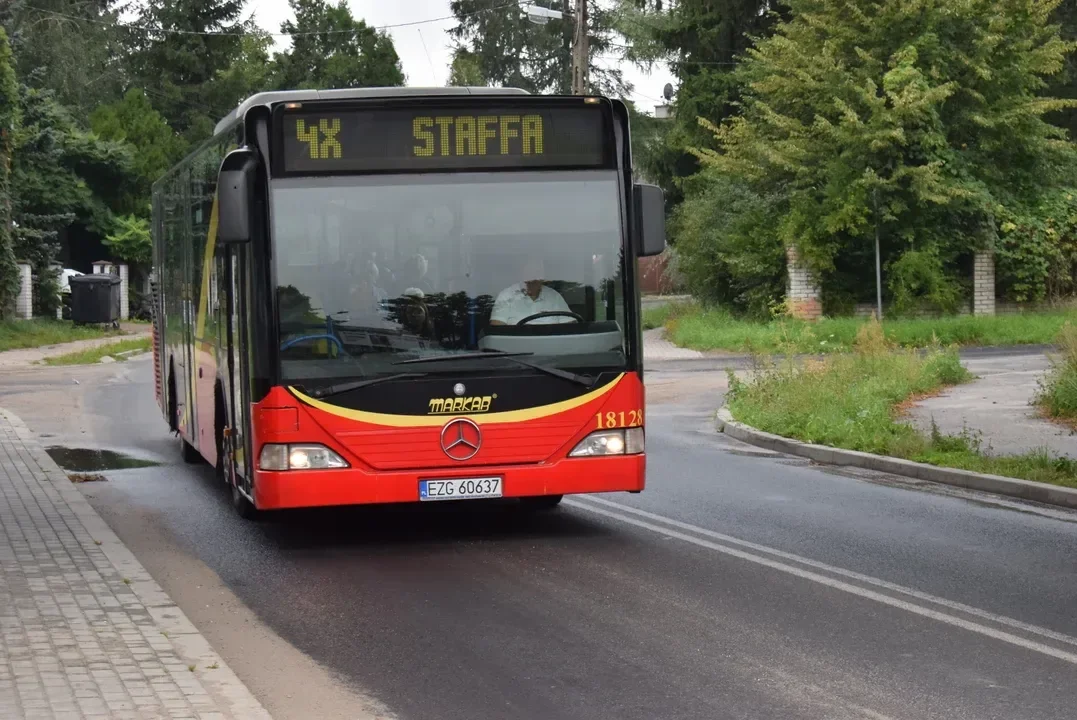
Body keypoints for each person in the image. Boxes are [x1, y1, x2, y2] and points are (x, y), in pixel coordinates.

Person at [490, 255, 574, 326]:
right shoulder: (506, 296)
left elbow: (571, 327)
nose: (533, 277)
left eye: (538, 271)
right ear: (521, 272)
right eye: (530, 270)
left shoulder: (554, 297)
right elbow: (497, 329)